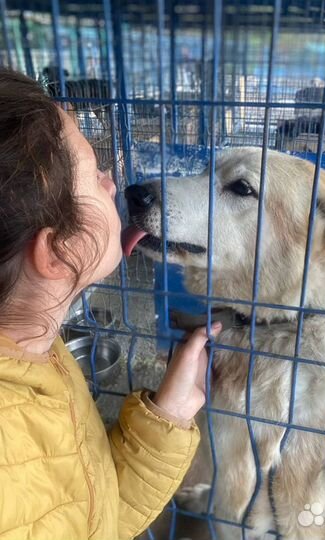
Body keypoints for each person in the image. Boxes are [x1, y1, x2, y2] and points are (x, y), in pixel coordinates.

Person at [0, 69, 221, 540]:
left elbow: (91, 514)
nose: (112, 180)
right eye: (94, 175)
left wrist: (171, 414)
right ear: (59, 252)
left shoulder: (38, 354)